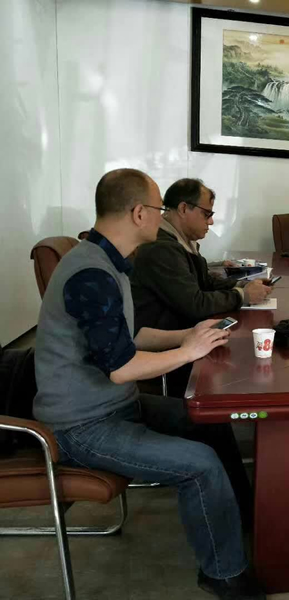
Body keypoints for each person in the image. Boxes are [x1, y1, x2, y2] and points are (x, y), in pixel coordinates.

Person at [33, 168, 263, 600]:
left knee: (208, 420)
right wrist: (188, 352)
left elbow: (132, 336)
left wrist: (190, 335)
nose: (162, 216)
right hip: (81, 426)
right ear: (139, 213)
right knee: (200, 464)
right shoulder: (90, 274)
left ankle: (243, 520)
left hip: (115, 406)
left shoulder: (109, 262)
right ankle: (225, 573)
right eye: (158, 209)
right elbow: (121, 367)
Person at [131, 178, 270, 395]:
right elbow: (195, 304)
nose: (211, 222)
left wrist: (241, 285)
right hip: (166, 347)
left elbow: (204, 281)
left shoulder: (181, 241)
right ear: (183, 209)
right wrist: (242, 295)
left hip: (186, 334)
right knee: (243, 367)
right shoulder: (162, 248)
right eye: (207, 214)